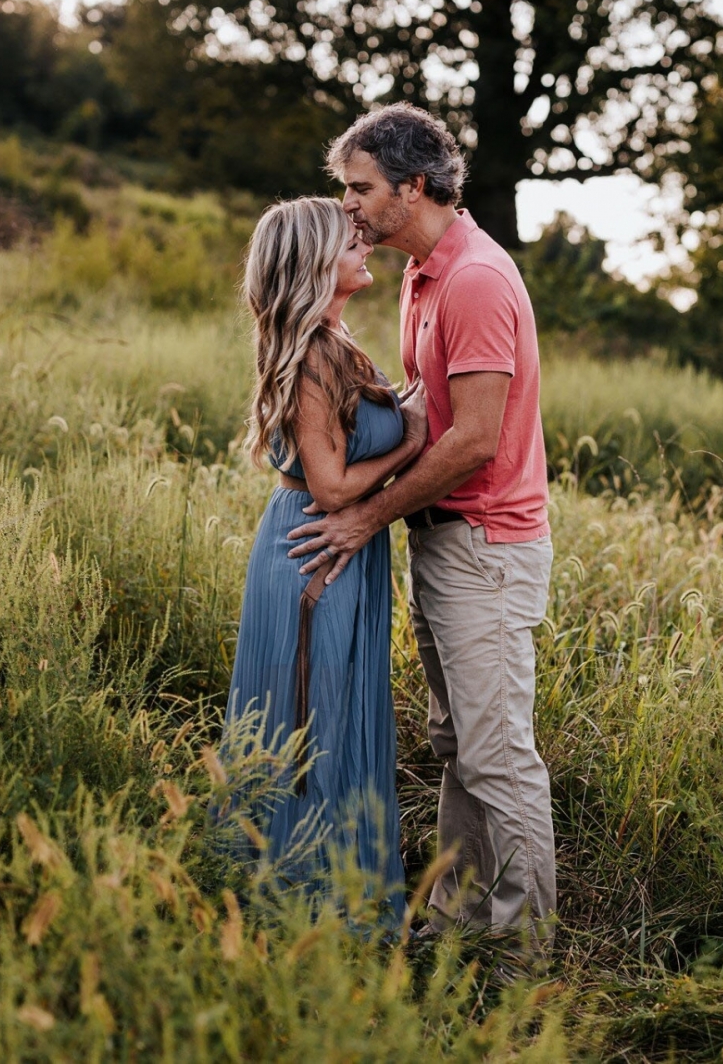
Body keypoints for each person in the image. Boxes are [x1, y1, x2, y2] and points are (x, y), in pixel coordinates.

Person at [287, 103, 557, 942]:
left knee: (498, 756)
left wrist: (362, 515)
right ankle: (458, 915)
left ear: (413, 185)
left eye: (361, 188)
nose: (349, 206)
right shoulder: (422, 273)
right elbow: (427, 413)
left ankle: (523, 952)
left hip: (486, 546)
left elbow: (474, 439)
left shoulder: (474, 278)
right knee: (457, 745)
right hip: (443, 538)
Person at [224, 197, 428, 920]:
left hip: (343, 550)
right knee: (314, 728)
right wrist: (411, 439)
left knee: (337, 723)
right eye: (352, 240)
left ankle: (338, 905)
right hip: (316, 552)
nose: (365, 244)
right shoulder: (312, 350)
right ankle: (298, 913)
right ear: (315, 262)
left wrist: (400, 410)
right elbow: (332, 482)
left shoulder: (335, 340)